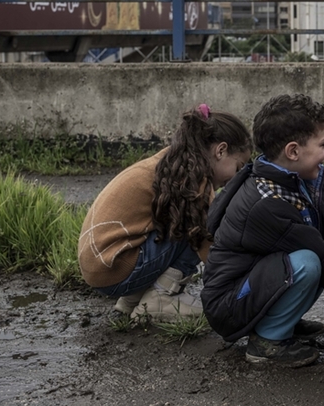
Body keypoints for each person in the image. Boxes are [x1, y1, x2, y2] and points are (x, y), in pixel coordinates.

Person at [78, 105, 252, 321]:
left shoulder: (173, 163)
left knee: (179, 218)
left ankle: (134, 297)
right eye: (238, 167)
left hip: (100, 267)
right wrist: (241, 292)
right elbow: (211, 251)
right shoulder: (195, 182)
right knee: (196, 225)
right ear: (221, 150)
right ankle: (161, 297)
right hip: (114, 269)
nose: (234, 178)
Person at [201, 94, 324, 367]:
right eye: (323, 145)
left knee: (309, 260)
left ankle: (281, 320)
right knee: (308, 263)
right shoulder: (266, 203)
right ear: (293, 151)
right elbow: (322, 253)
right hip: (228, 303)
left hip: (251, 286)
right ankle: (268, 342)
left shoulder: (302, 178)